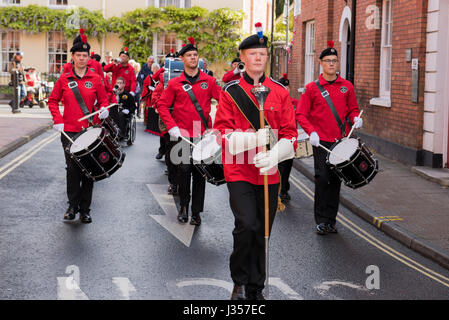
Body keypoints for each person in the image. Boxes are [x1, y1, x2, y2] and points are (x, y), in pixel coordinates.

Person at [213, 23, 298, 300]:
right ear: (243, 58)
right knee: (246, 225)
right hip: (239, 170)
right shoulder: (230, 92)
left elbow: (291, 135)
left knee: (262, 231)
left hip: (269, 172)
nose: (259, 58)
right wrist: (253, 140)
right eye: (253, 54)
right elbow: (222, 134)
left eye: (262, 54)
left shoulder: (281, 92)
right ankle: (239, 280)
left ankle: (256, 287)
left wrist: (274, 154)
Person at [296, 40, 362, 235]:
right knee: (322, 179)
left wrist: (356, 119)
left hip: (342, 141)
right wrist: (311, 132)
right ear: (321, 63)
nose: (332, 64)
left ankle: (331, 221)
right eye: (328, 60)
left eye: (334, 60)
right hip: (321, 141)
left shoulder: (347, 86)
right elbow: (301, 114)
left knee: (335, 181)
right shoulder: (311, 88)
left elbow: (353, 109)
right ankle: (320, 220)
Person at [156, 36, 221, 226]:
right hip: (182, 134)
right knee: (183, 172)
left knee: (200, 174)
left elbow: (224, 102)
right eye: (189, 55)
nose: (193, 58)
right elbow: (162, 104)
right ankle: (183, 207)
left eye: (195, 55)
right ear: (182, 59)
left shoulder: (208, 81)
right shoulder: (175, 83)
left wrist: (217, 128)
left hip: (202, 134)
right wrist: (171, 126)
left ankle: (196, 212)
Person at [48, 28, 110, 223]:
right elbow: (52, 101)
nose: (82, 58)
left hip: (90, 132)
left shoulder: (96, 79)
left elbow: (104, 100)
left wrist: (104, 109)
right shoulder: (64, 79)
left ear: (89, 58)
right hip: (69, 132)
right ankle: (72, 206)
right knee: (73, 169)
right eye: (79, 55)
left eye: (85, 55)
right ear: (72, 57)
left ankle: (85, 209)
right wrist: (58, 120)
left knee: (89, 171)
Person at [277, 73, 299, 201]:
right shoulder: (275, 102)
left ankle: (284, 188)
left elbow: (303, 115)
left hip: (290, 140)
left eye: (287, 87)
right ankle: (280, 189)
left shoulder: (295, 103)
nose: (286, 89)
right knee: (279, 167)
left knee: (287, 166)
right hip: (277, 140)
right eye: (283, 87)